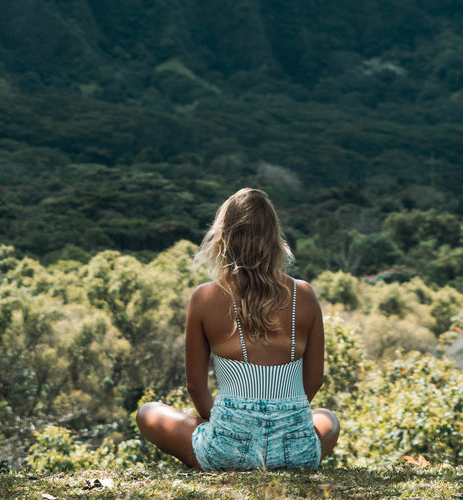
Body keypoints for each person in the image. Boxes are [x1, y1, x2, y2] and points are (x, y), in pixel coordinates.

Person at [136, 187, 340, 471]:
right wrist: (280, 419)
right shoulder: (304, 294)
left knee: (148, 412)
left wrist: (234, 425)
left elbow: (196, 386)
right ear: (274, 238)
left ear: (223, 237)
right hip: (296, 450)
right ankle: (284, 454)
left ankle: (223, 453)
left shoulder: (205, 297)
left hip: (227, 450)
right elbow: (314, 380)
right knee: (327, 417)